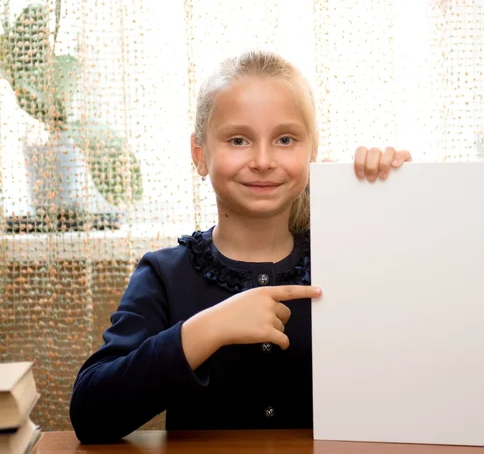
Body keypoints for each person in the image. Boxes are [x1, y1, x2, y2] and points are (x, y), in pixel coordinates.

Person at [69, 50, 412, 444]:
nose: (263, 160)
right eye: (238, 139)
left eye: (285, 139)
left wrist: (392, 195)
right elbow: (91, 414)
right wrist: (208, 328)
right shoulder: (163, 275)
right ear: (200, 154)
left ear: (312, 152)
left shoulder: (349, 257)